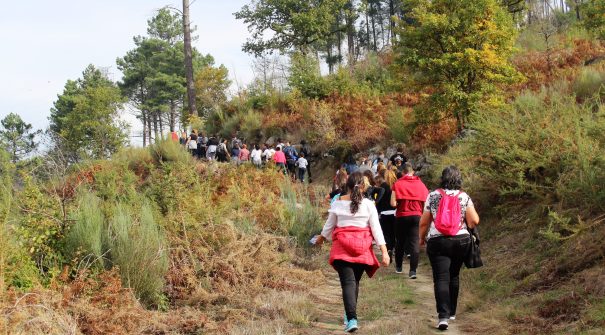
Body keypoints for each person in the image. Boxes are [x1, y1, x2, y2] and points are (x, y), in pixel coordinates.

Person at [315, 172, 390, 333]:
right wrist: (384, 252)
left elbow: (329, 227)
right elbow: (376, 229)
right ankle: (350, 316)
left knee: (348, 283)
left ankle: (351, 317)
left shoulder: (337, 204)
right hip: (362, 249)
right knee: (354, 282)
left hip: (342, 248)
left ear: (347, 186)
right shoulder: (369, 205)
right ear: (363, 187)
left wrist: (321, 239)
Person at [419, 166, 479, 330]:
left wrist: (421, 239)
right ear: (459, 179)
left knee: (441, 278)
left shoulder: (433, 196)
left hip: (438, 242)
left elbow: (424, 222)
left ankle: (443, 317)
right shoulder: (464, 196)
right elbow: (474, 221)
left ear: (442, 178)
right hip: (461, 241)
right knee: (454, 275)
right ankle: (452, 312)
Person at [390, 162, 429, 278]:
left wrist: (400, 202)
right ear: (413, 172)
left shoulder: (398, 183)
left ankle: (398, 267)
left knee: (400, 242)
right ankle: (413, 271)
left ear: (403, 172)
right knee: (414, 242)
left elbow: (392, 203)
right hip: (417, 216)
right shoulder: (421, 184)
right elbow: (426, 202)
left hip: (402, 215)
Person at [375, 174, 396, 260]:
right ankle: (392, 248)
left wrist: (377, 211)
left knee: (386, 233)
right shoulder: (394, 187)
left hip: (384, 213)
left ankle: (388, 249)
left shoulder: (381, 188)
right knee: (393, 233)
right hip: (394, 213)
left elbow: (378, 201)